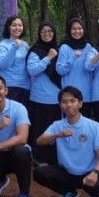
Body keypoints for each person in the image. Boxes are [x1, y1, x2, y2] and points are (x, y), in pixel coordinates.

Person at [33, 87, 99, 197]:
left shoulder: (94, 126)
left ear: (80, 103)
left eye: (72, 101)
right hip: (67, 172)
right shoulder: (58, 125)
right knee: (39, 173)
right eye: (64, 102)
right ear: (60, 105)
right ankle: (68, 192)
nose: (68, 105)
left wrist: (94, 173)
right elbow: (39, 141)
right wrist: (57, 135)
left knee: (95, 186)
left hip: (88, 173)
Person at [26, 21, 61, 164]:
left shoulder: (58, 50)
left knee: (54, 129)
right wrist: (48, 58)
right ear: (39, 34)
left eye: (50, 31)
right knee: (39, 128)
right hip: (39, 97)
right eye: (44, 31)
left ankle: (53, 158)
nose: (47, 34)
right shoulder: (35, 51)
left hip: (56, 97)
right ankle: (38, 158)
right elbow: (31, 70)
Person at [57, 18, 95, 105]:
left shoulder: (88, 47)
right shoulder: (64, 47)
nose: (77, 31)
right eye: (74, 29)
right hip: (69, 96)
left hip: (86, 95)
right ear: (69, 30)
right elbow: (60, 70)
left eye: (79, 28)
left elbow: (91, 68)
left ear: (83, 29)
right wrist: (73, 58)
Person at [0, 16, 30, 104]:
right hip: (10, 86)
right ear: (8, 27)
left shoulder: (25, 45)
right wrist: (14, 47)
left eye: (20, 25)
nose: (17, 28)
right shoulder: (2, 45)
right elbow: (3, 65)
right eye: (14, 25)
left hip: (26, 86)